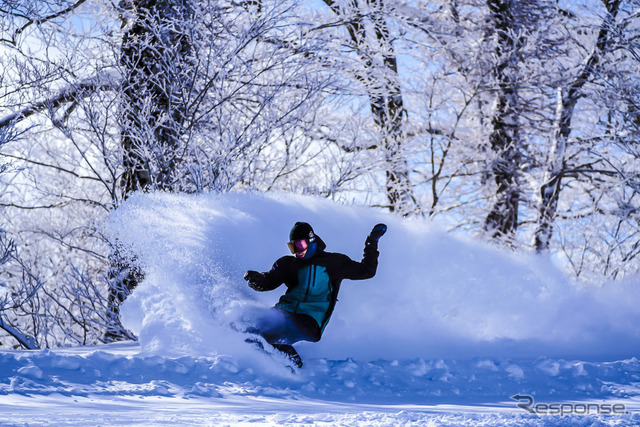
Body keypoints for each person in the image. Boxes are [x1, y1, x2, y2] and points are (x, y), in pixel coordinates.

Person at [243, 221, 387, 367]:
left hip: (310, 320)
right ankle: (266, 358)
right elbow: (269, 281)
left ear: (311, 241)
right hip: (284, 312)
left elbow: (367, 271)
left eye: (300, 245)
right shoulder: (288, 264)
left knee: (279, 323)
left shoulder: (333, 263)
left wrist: (372, 242)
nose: (297, 251)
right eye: (293, 247)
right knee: (252, 330)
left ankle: (288, 356)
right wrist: (258, 280)